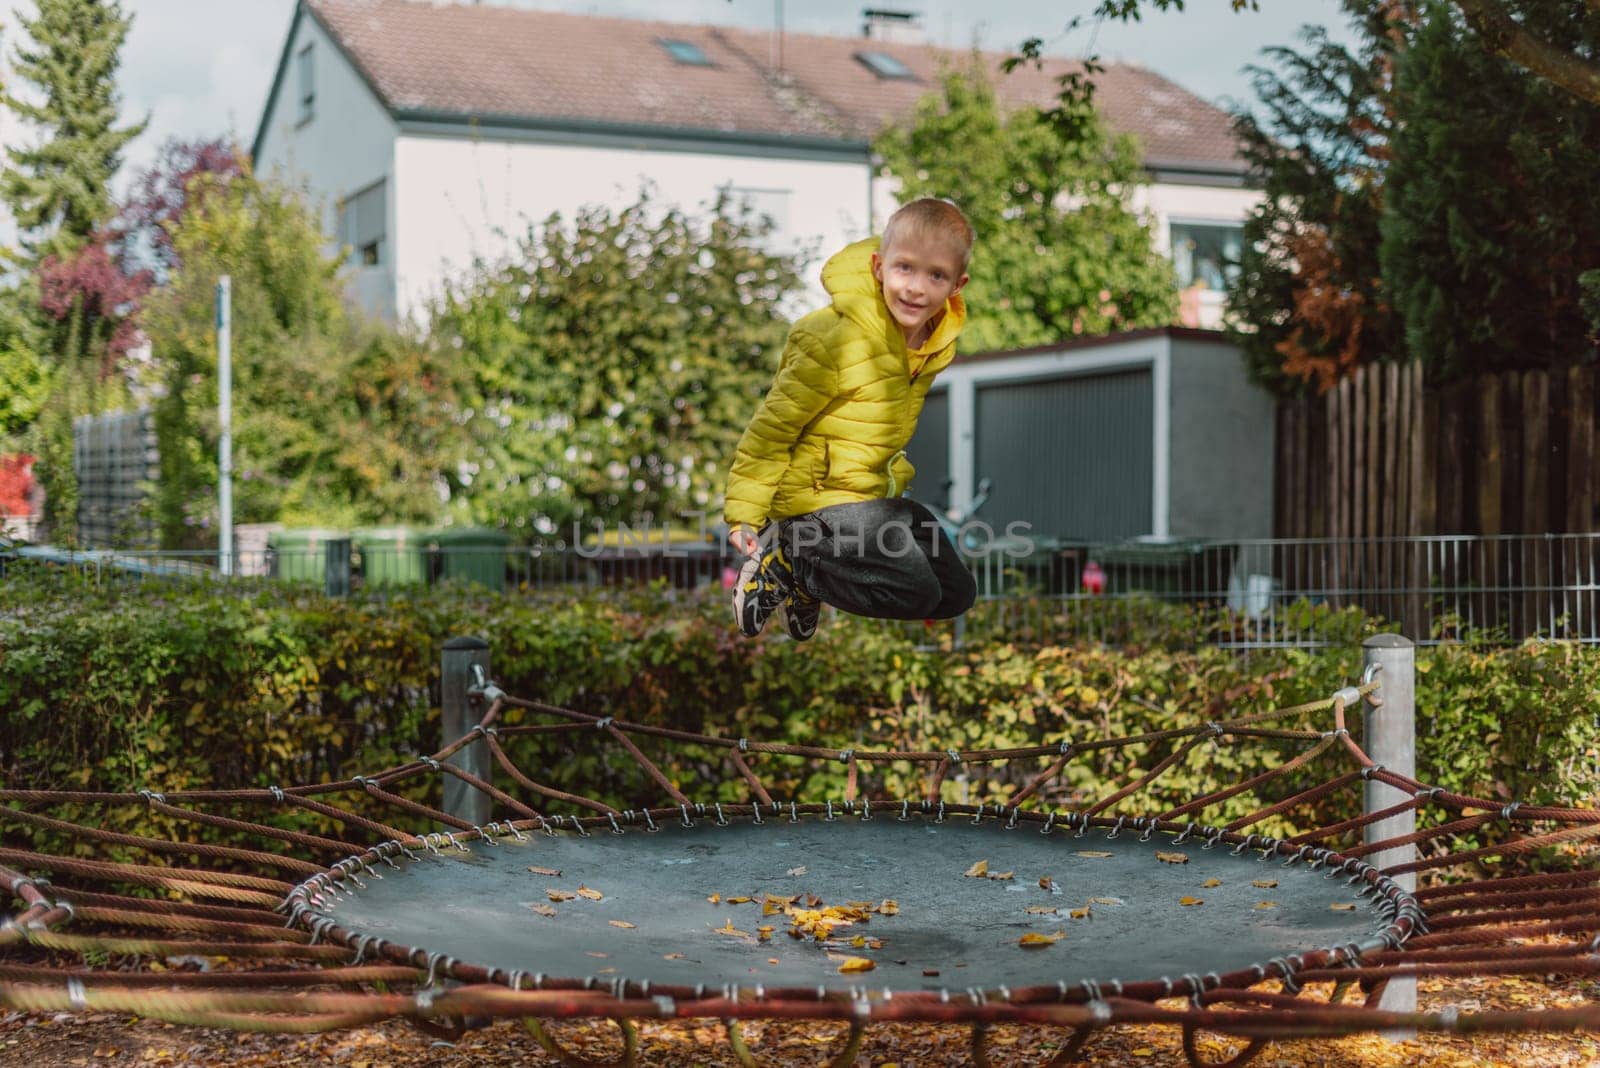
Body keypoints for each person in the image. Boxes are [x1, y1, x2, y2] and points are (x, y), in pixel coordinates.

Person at [722, 197, 979, 640]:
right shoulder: (834, 338)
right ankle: (786, 558)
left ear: (957, 285)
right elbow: (772, 429)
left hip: (868, 497)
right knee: (915, 590)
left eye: (936, 275)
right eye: (905, 268)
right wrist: (745, 514)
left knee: (955, 593)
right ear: (879, 266)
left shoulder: (930, 345)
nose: (917, 287)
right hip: (813, 501)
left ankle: (804, 579)